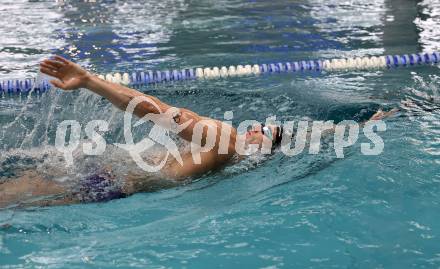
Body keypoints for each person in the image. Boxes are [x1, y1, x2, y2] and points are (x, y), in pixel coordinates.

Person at [0, 56, 395, 208]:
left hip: (97, 179)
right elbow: (309, 138)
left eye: (265, 133)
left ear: (263, 148)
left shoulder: (223, 140)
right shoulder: (241, 161)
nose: (256, 127)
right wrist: (364, 125)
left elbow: (156, 110)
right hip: (104, 179)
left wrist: (91, 82)